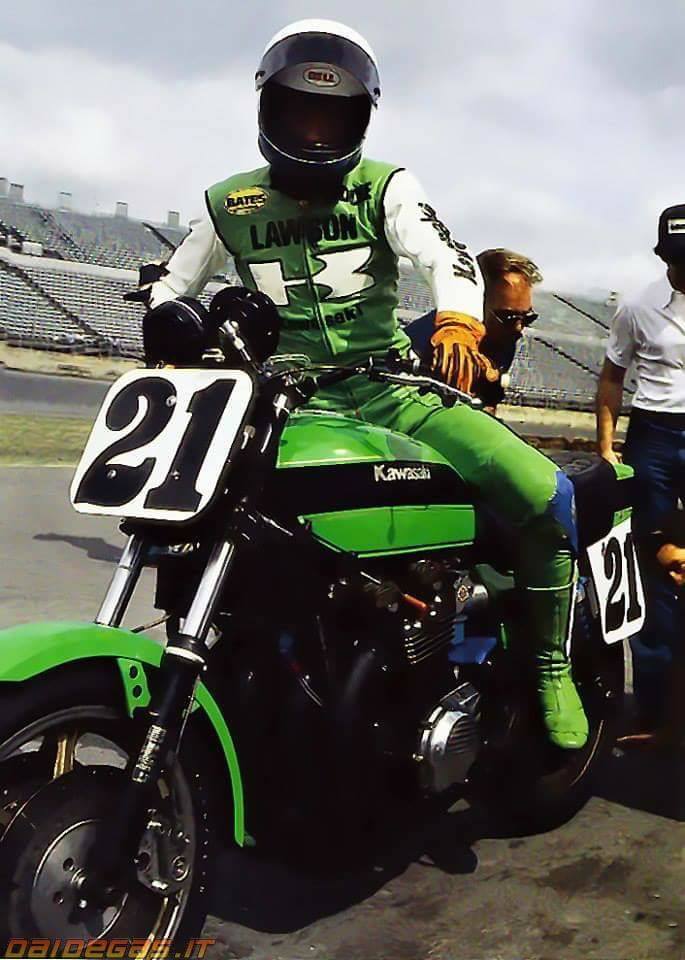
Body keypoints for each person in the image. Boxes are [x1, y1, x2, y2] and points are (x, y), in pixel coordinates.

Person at [147, 19, 587, 749]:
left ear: (358, 118)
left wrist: (457, 319)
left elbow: (443, 254)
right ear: (270, 108)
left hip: (391, 389)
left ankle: (547, 663)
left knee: (547, 494)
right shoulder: (228, 202)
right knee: (222, 518)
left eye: (331, 115)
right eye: (301, 111)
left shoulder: (386, 185)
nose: (315, 130)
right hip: (286, 403)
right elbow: (169, 285)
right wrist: (169, 332)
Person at [596, 204, 685, 739]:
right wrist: (607, 447)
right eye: (678, 258)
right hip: (654, 433)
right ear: (663, 256)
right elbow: (612, 376)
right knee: (650, 562)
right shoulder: (637, 307)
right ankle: (652, 707)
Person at [406, 248, 542, 413]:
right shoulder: (421, 342)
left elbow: (489, 403)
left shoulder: (505, 337)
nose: (519, 328)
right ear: (475, 301)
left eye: (527, 318)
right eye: (509, 317)